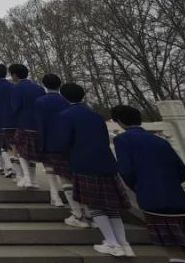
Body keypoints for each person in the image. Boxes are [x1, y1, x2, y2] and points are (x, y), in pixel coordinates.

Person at [112, 106, 185, 263]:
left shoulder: (122, 140)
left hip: (152, 198)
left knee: (172, 247)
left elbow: (126, 171)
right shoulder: (160, 140)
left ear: (119, 121)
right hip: (178, 199)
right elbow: (182, 171)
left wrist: (139, 187)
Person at [56, 83, 134, 257]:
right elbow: (105, 138)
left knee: (95, 205)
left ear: (63, 97)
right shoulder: (96, 115)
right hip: (106, 162)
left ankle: (112, 243)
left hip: (84, 163)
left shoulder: (65, 116)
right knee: (112, 206)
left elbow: (63, 141)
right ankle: (124, 243)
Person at [33, 74, 71, 210]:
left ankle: (55, 196)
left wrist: (40, 143)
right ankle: (75, 207)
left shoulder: (40, 101)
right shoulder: (66, 101)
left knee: (50, 170)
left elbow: (40, 123)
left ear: (45, 85)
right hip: (66, 141)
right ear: (59, 85)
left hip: (48, 139)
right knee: (66, 174)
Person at [9, 63, 45, 188]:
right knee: (31, 154)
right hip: (37, 124)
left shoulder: (16, 88)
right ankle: (33, 180)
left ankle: (28, 178)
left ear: (14, 75)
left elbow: (15, 108)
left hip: (23, 123)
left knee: (22, 152)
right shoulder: (39, 88)